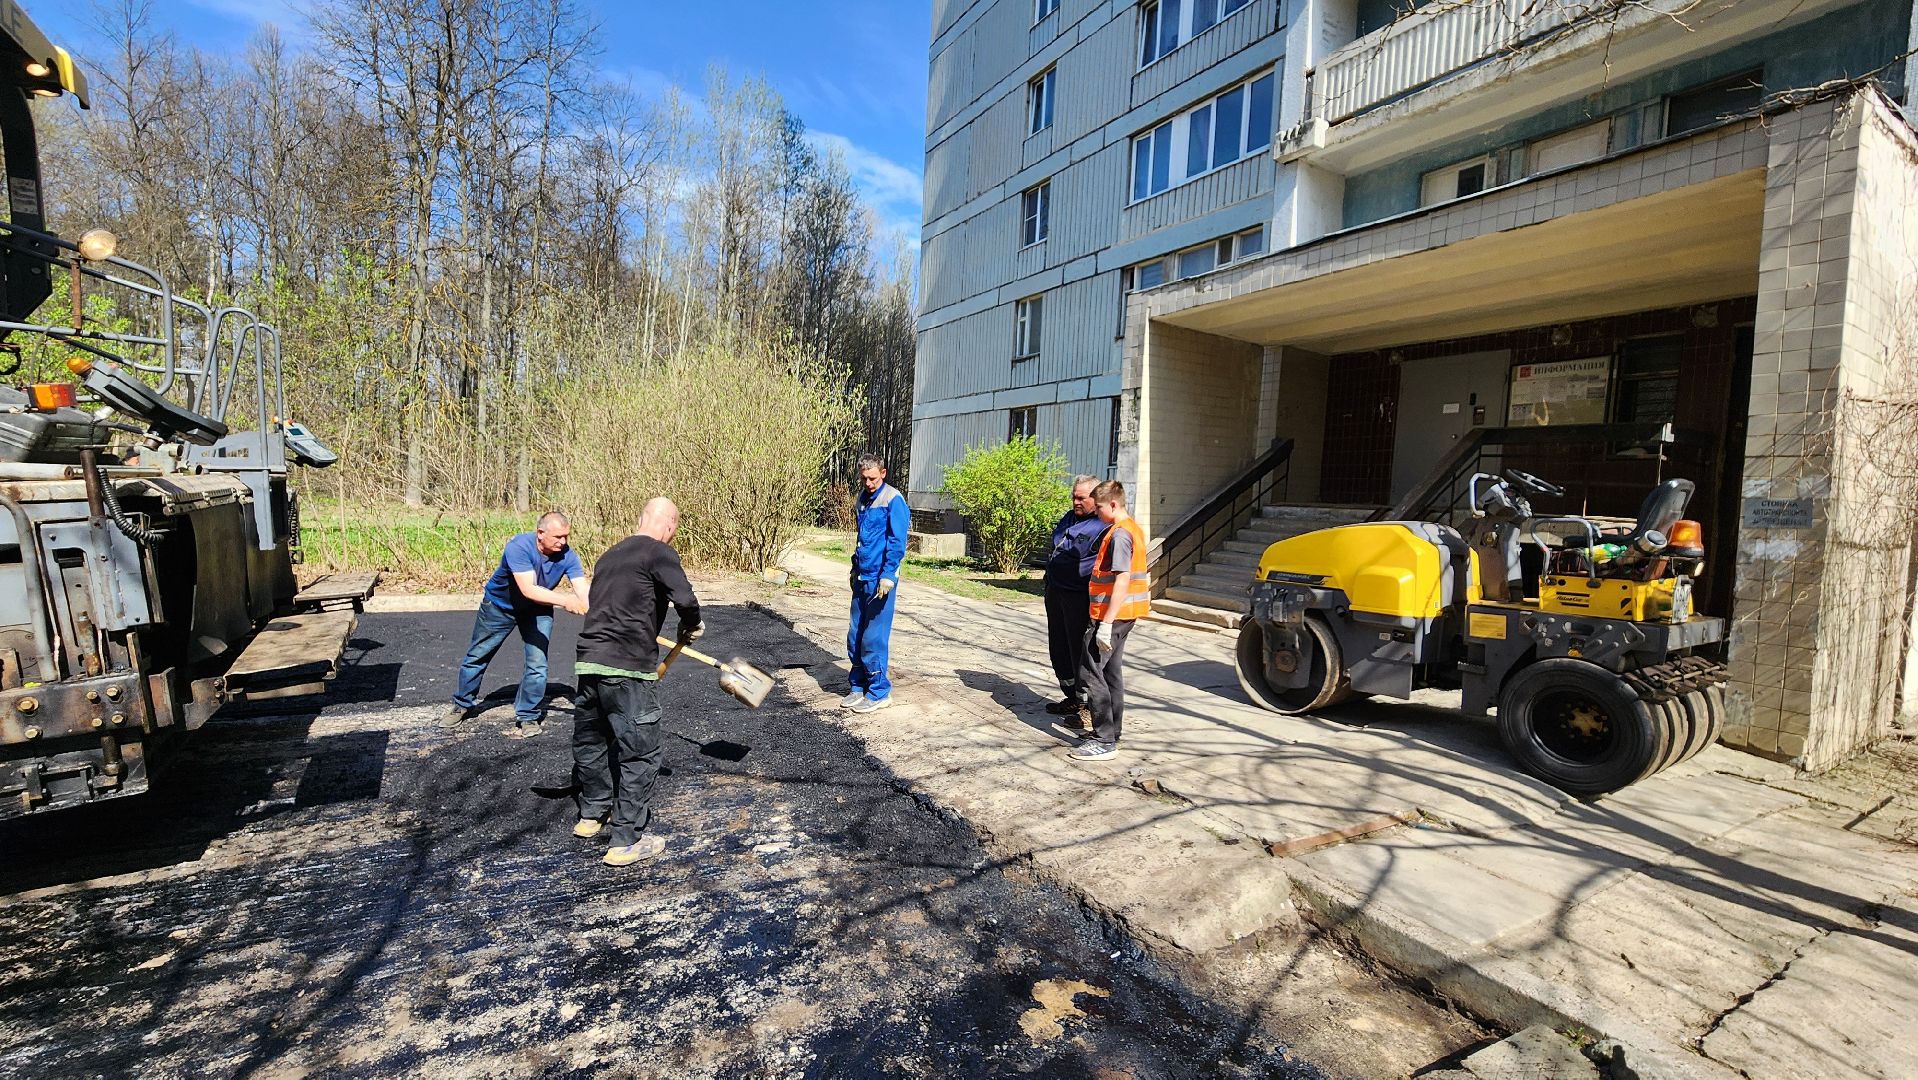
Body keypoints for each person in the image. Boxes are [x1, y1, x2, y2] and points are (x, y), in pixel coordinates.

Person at [571, 497, 702, 867]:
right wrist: (691, 625)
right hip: (628, 668)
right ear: (670, 524)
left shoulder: (609, 556)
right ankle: (625, 840)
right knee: (641, 753)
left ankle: (591, 815)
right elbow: (685, 599)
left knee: (593, 742)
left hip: (589, 664)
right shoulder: (658, 552)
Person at [444, 511, 588, 738]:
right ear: (540, 533)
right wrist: (566, 601)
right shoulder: (519, 547)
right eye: (558, 537)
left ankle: (528, 715)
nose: (563, 542)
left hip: (538, 610)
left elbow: (582, 589)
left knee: (538, 664)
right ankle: (462, 703)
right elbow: (529, 589)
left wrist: (591, 606)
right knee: (478, 655)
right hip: (499, 607)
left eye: (566, 536)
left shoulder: (568, 555)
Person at [1071, 480, 1150, 762]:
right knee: (1111, 672)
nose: (1097, 513)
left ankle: (1104, 739)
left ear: (1113, 504)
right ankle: (1112, 732)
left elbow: (1122, 579)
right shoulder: (1132, 529)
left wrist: (1106, 623)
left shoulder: (1119, 535)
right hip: (1125, 615)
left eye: (1101, 507)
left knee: (1090, 672)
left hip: (1112, 616)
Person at [843, 453, 910, 714]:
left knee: (874, 637)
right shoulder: (862, 499)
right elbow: (862, 538)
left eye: (872, 478)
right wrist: (854, 567)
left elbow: (897, 541)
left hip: (880, 580)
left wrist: (888, 575)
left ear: (883, 473)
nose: (868, 483)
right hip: (862, 576)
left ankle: (879, 691)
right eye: (864, 478)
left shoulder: (893, 500)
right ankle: (858, 686)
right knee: (855, 633)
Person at [1044, 476, 1106, 730]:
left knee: (1081, 653)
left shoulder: (1102, 526)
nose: (1076, 502)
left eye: (1082, 498)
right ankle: (1072, 698)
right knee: (1059, 648)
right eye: (1074, 496)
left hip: (1079, 598)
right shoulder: (1069, 518)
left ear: (1097, 498)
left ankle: (1090, 709)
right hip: (1056, 592)